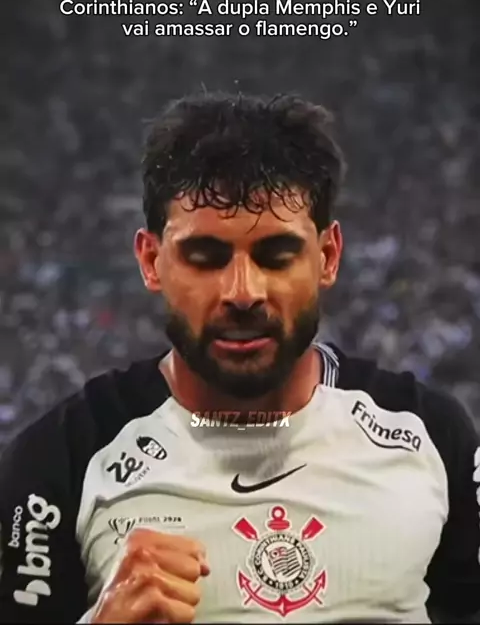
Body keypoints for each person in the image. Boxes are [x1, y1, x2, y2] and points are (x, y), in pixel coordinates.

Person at [0, 91, 479, 625]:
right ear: (151, 260)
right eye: (205, 258)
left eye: (276, 256)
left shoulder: (433, 437)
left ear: (327, 256)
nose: (243, 292)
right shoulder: (60, 460)